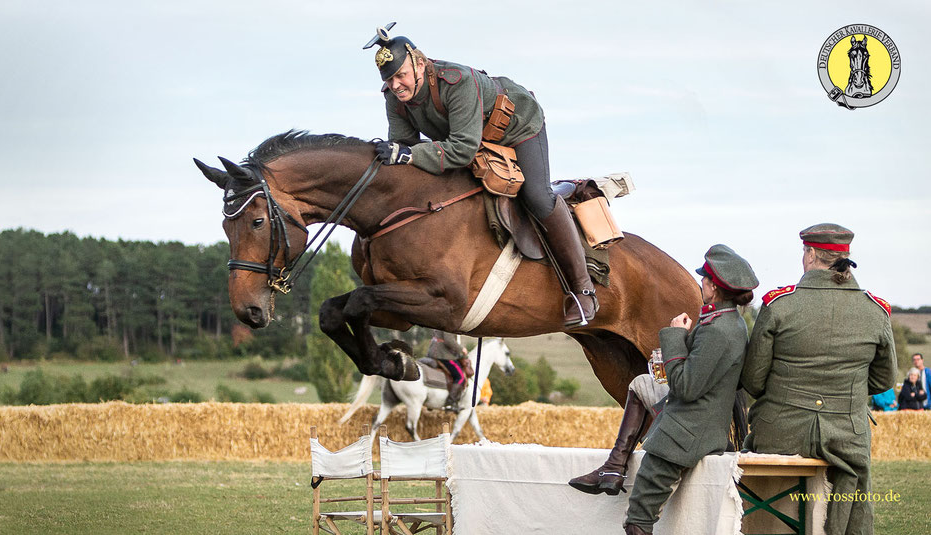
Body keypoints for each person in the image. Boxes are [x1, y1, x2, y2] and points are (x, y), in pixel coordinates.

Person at [364, 23, 597, 327]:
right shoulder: (395, 98)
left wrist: (408, 154)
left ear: (420, 64)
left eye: (400, 75)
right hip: (470, 139)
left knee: (536, 196)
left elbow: (460, 150)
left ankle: (584, 291)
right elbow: (405, 146)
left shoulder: (456, 81)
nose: (395, 85)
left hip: (518, 128)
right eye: (389, 79)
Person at [741, 223, 896, 535]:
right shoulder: (876, 311)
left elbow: (754, 381)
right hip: (846, 437)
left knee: (765, 503)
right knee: (853, 500)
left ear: (810, 254)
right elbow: (884, 380)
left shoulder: (778, 304)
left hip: (780, 432)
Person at [594, 244, 758, 535]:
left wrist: (675, 337)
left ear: (714, 287)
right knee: (642, 385)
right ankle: (613, 465)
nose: (701, 284)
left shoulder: (719, 329)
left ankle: (613, 467)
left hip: (682, 439)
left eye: (704, 280)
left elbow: (685, 387)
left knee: (638, 521)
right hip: (688, 431)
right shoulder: (725, 322)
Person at [427, 330, 470, 412]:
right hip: (443, 354)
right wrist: (462, 349)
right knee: (460, 377)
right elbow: (449, 341)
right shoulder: (449, 322)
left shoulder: (440, 319)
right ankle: (450, 403)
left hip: (433, 351)